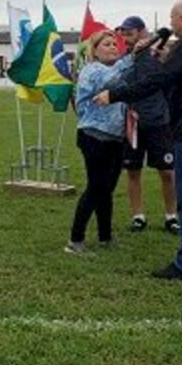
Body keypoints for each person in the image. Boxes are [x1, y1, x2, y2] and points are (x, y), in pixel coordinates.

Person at [95, 0, 182, 280]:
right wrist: (159, 57)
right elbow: (180, 76)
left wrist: (115, 95)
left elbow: (158, 81)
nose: (170, 26)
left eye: (172, 20)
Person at [65, 30, 133, 255]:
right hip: (93, 136)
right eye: (107, 44)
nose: (114, 47)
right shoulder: (92, 70)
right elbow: (109, 80)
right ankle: (75, 240)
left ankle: (105, 236)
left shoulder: (119, 70)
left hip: (115, 138)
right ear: (94, 51)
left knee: (107, 190)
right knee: (96, 188)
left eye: (115, 44)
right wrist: (132, 57)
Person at [114, 16, 179, 235]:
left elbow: (173, 75)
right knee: (132, 170)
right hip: (132, 122)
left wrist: (165, 55)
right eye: (122, 32)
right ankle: (138, 216)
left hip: (159, 121)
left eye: (129, 31)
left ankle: (171, 216)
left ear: (142, 32)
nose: (125, 35)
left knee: (167, 172)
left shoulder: (157, 52)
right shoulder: (125, 59)